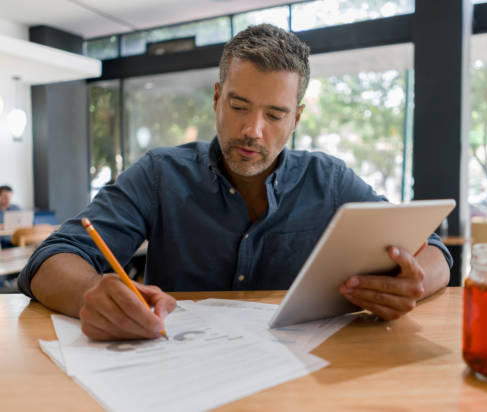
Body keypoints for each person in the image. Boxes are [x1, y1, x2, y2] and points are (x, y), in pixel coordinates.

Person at [18, 24, 452, 341]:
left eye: (275, 115)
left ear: (296, 118)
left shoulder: (329, 180)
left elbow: (432, 250)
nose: (253, 130)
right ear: (216, 98)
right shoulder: (159, 175)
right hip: (173, 369)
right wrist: (90, 291)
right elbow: (52, 257)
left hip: (295, 380)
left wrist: (415, 283)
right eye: (239, 106)